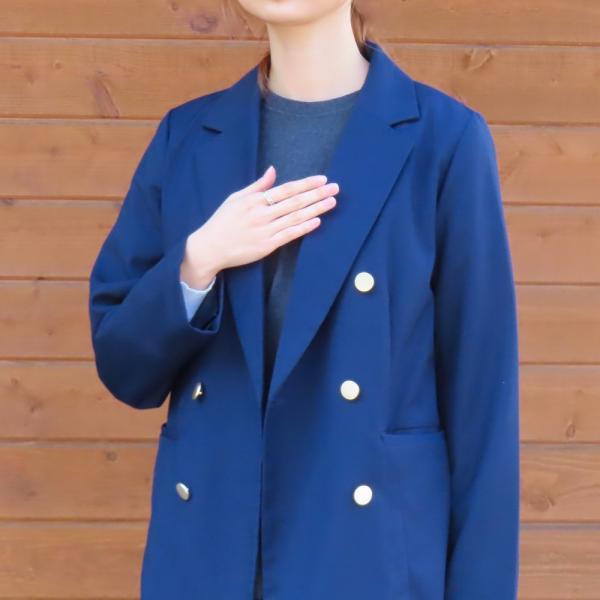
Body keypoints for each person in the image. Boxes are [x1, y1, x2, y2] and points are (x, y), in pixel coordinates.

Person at [88, 1, 520, 598]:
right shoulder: (186, 138)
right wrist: (198, 262)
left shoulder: (444, 141)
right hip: (210, 563)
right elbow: (124, 366)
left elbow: (483, 405)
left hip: (367, 565)